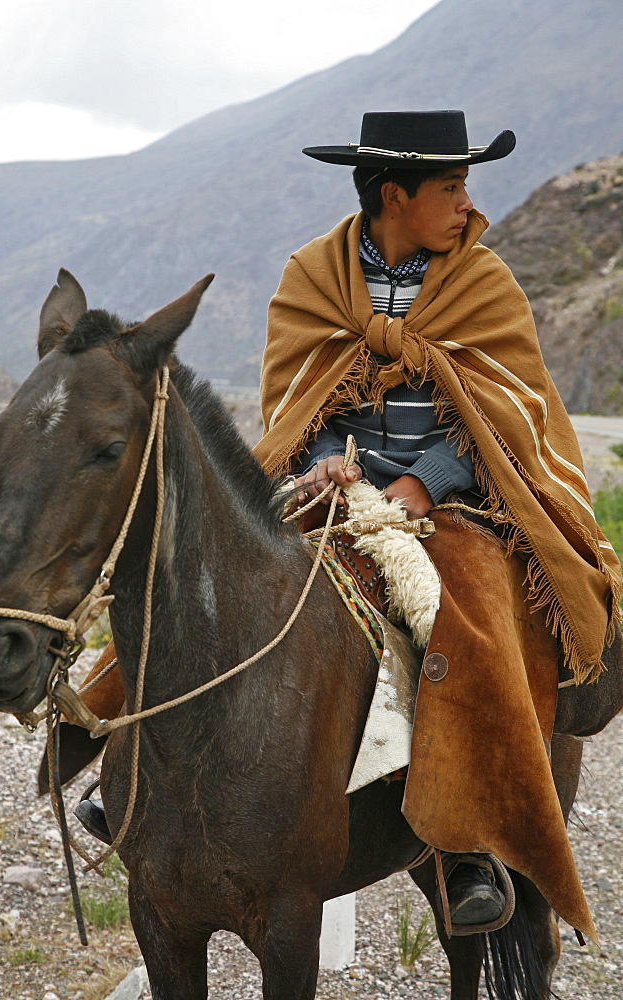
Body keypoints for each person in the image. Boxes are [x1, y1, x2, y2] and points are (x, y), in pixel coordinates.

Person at [252, 111, 622, 938]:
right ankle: (123, 756)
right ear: (396, 195)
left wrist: (427, 482)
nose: (467, 205)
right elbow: (297, 395)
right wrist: (321, 460)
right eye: (451, 188)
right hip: (334, 484)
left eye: (464, 187)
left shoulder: (482, 281)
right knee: (215, 564)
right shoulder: (313, 276)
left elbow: (503, 415)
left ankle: (470, 842)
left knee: (476, 610)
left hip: (452, 497)